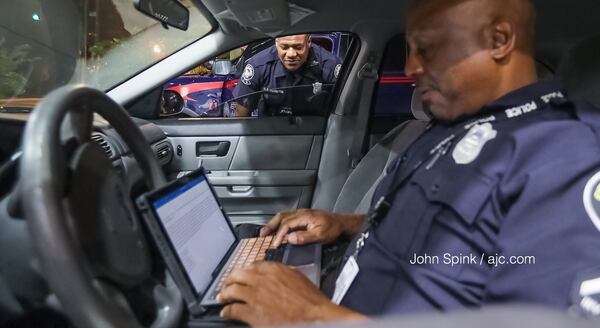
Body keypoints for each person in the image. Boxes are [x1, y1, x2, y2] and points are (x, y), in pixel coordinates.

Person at [217, 0, 600, 326]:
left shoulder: (566, 149)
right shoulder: (447, 128)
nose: (410, 68)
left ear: (498, 39)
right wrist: (343, 224)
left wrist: (316, 316)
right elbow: (447, 232)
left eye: (427, 48)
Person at [231, 34, 342, 117]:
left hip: (314, 134)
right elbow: (242, 113)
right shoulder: (259, 65)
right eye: (284, 47)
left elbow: (342, 112)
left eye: (298, 47)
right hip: (271, 133)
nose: (291, 54)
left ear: (309, 42)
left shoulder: (329, 65)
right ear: (276, 42)